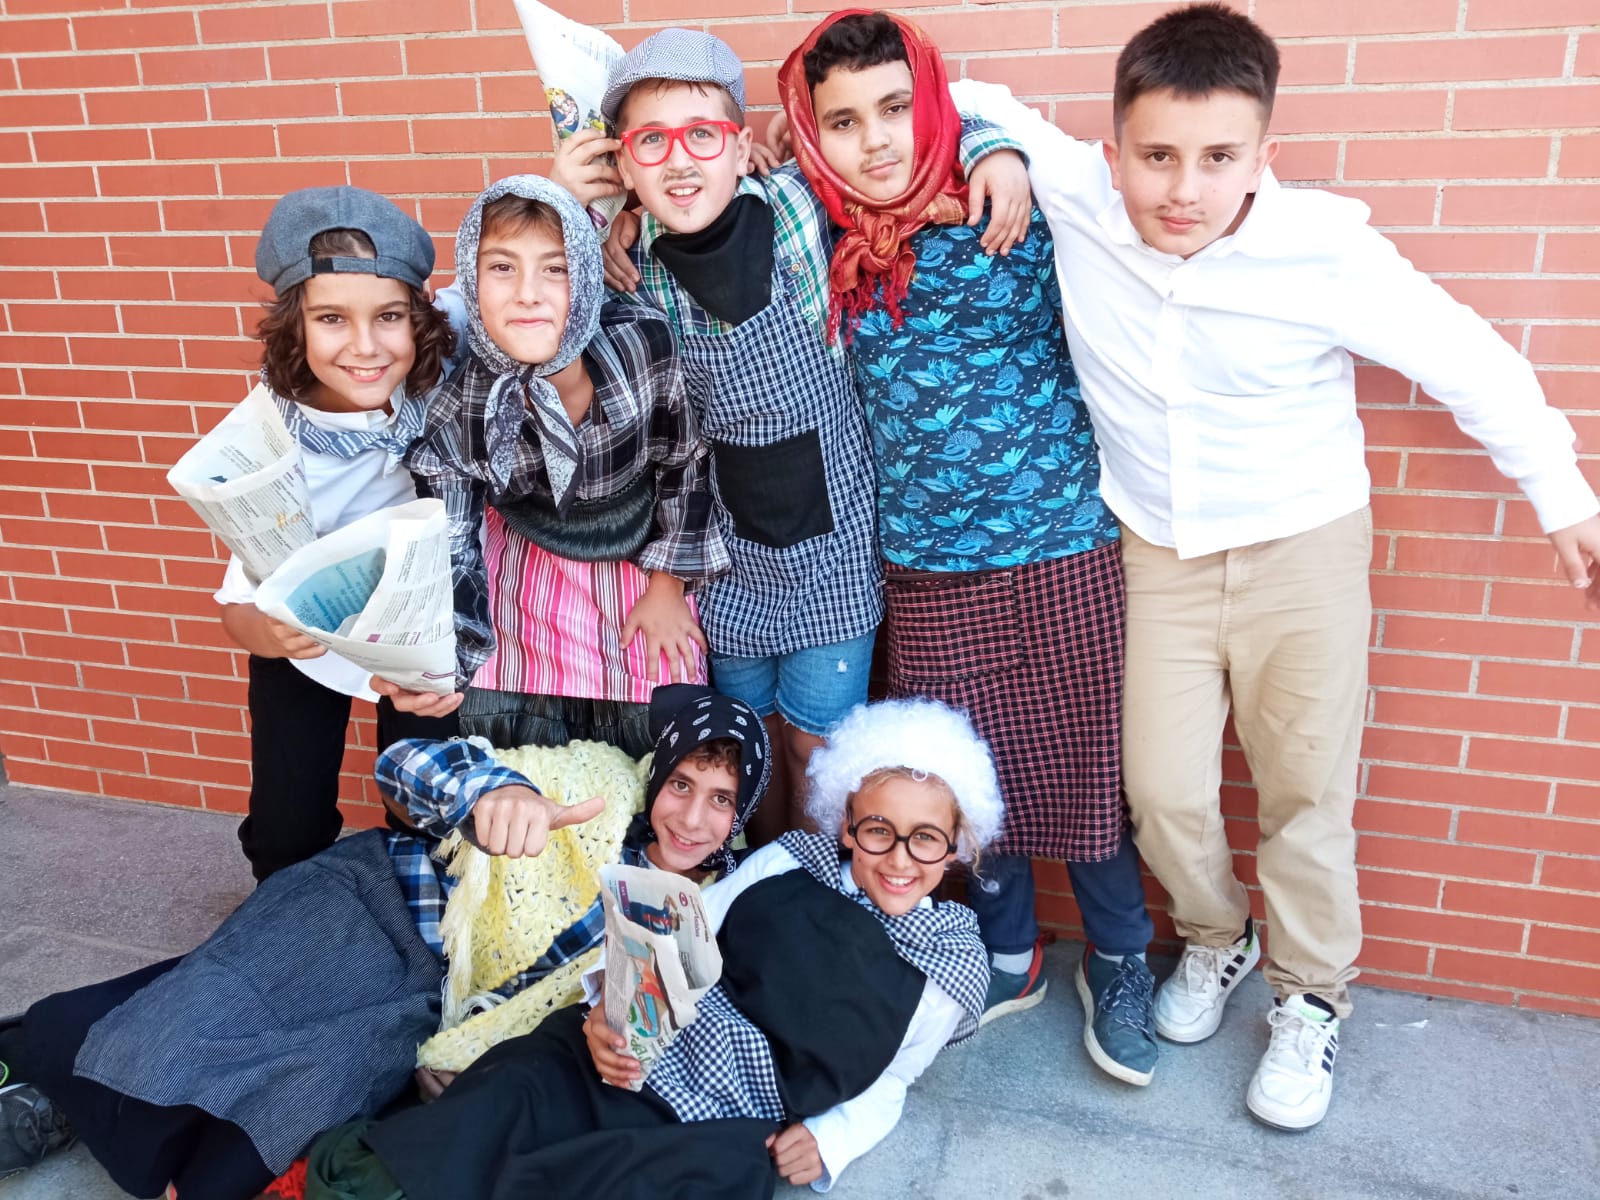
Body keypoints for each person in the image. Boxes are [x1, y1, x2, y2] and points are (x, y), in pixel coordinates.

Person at [950, 3, 1600, 1130]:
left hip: (1303, 546)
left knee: (1304, 795)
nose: (1183, 190)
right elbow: (963, 93)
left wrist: (1563, 494)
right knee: (1159, 790)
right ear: (1112, 151)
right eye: (1156, 156)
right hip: (1154, 549)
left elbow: (1469, 360)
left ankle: (1310, 998)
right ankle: (1218, 938)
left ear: (1263, 155)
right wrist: (991, 148)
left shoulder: (1325, 250)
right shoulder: (1081, 194)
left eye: (1218, 158)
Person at [775, 9, 1159, 1083]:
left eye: (896, 108)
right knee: (962, 774)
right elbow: (706, 207)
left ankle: (1120, 956)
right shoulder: (819, 235)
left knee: (1084, 769)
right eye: (842, 121)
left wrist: (993, 143)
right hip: (926, 564)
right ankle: (1007, 952)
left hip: (1061, 543)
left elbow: (1049, 151)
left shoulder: (1012, 201)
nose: (875, 140)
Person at [0, 685, 770, 1198]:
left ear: (741, 816)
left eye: (720, 800)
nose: (691, 818)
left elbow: (638, 1027)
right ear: (657, 777)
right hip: (377, 901)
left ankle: (84, 1094)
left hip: (434, 1000)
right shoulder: (597, 780)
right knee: (194, 1014)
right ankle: (51, 1086)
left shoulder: (699, 913)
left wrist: (562, 1043)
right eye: (682, 785)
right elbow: (406, 764)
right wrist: (494, 791)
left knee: (299, 1102)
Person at [550, 28, 1032, 840]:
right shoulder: (631, 275)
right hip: (729, 564)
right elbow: (535, 312)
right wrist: (577, 210)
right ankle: (755, 877)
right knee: (744, 750)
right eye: (651, 142)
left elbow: (917, 133)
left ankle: (813, 881)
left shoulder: (802, 209)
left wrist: (995, 151)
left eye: (702, 135)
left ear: (742, 149)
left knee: (817, 750)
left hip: (834, 560)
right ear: (624, 166)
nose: (680, 161)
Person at [301, 698, 1002, 1199]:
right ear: (846, 825)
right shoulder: (791, 859)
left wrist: (834, 1137)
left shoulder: (948, 964)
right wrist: (606, 1015)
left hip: (734, 1113)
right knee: (515, 1089)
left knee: (674, 1180)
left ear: (956, 847)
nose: (899, 858)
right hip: (648, 1042)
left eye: (926, 839)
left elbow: (893, 1076)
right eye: (878, 830)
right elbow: (673, 932)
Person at [378, 175, 729, 759]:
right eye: (502, 268)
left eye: (556, 269)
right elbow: (453, 541)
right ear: (471, 278)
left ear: (587, 277)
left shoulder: (642, 345)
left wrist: (669, 586)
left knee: (660, 697)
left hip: (639, 550)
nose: (527, 294)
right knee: (516, 722)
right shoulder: (464, 401)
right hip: (527, 555)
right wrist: (442, 661)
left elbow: (685, 459)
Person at [219, 186, 460, 881]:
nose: (365, 346)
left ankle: (417, 918)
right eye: (331, 318)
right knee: (286, 825)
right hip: (304, 637)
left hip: (416, 630)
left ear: (419, 318)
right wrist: (273, 635)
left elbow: (514, 273)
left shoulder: (436, 379)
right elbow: (238, 609)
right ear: (295, 326)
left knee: (428, 809)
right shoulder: (270, 441)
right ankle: (288, 920)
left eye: (389, 316)